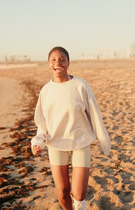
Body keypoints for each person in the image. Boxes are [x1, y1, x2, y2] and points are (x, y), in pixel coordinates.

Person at [31, 46, 111, 210]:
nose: (57, 63)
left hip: (80, 142)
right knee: (62, 191)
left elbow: (95, 115)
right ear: (48, 64)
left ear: (68, 63)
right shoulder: (46, 91)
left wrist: (104, 141)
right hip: (56, 143)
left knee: (79, 193)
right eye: (53, 59)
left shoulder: (80, 86)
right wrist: (38, 141)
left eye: (62, 59)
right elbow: (42, 121)